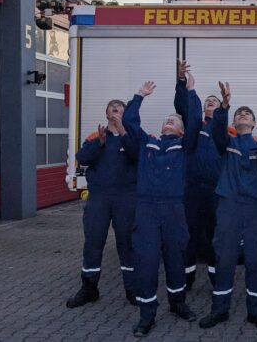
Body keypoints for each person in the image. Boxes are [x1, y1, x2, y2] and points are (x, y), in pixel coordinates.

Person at [121, 61, 202, 337]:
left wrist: (190, 92)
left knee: (176, 258)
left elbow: (194, 121)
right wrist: (139, 96)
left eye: (175, 120)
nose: (170, 120)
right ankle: (147, 315)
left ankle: (178, 303)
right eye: (168, 119)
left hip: (173, 209)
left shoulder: (185, 146)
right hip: (146, 209)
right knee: (146, 260)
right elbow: (129, 122)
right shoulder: (149, 143)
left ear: (181, 131)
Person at [199, 81, 257, 331]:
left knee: (256, 260)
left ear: (254, 124)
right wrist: (224, 106)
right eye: (238, 114)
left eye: (247, 114)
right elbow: (217, 131)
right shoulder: (227, 143)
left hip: (255, 208)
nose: (242, 115)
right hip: (229, 205)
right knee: (224, 258)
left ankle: (255, 312)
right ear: (234, 123)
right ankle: (219, 310)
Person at [67, 99, 138, 309]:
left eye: (120, 110)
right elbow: (83, 158)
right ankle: (89, 289)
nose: (116, 112)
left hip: (126, 198)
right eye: (112, 109)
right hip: (99, 198)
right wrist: (99, 142)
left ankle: (132, 289)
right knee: (93, 242)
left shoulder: (131, 136)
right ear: (106, 114)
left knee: (127, 244)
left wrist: (123, 131)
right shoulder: (96, 136)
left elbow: (136, 155)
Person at [174, 80, 222, 290]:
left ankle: (216, 280)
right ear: (202, 108)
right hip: (192, 190)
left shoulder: (226, 132)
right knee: (190, 235)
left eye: (214, 101)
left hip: (216, 192)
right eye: (208, 101)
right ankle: (188, 279)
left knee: (215, 237)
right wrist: (183, 84)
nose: (210, 102)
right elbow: (183, 105)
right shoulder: (195, 126)